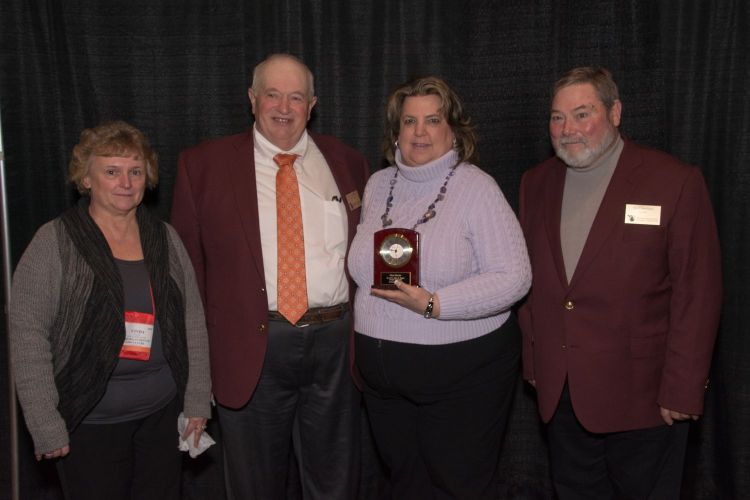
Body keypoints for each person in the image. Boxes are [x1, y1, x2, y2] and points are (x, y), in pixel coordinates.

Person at [170, 53, 369, 499]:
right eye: (272, 94)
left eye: (296, 96)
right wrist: (196, 370)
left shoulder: (348, 162)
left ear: (312, 104)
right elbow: (187, 275)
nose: (284, 106)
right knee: (254, 486)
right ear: (251, 99)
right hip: (250, 350)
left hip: (335, 346)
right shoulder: (203, 166)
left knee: (336, 482)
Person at [518, 67, 722, 499]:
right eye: (557, 118)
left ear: (615, 112)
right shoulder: (535, 184)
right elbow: (531, 283)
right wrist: (535, 361)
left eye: (582, 114)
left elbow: (698, 294)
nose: (567, 130)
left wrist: (684, 388)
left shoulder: (675, 182)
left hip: (646, 400)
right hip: (563, 394)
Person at [347, 76, 532, 499]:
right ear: (396, 130)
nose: (419, 131)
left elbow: (515, 277)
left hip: (462, 378)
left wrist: (435, 304)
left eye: (433, 120)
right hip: (384, 386)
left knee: (455, 488)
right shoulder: (377, 185)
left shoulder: (476, 188)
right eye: (409, 120)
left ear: (454, 130)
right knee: (406, 485)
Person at [9, 121, 211, 500]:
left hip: (161, 417)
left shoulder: (164, 238)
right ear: (86, 179)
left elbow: (193, 322)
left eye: (135, 171)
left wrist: (198, 399)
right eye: (112, 171)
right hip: (89, 422)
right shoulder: (54, 241)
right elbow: (27, 335)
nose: (126, 182)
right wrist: (44, 421)